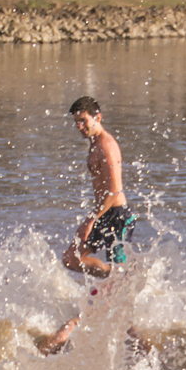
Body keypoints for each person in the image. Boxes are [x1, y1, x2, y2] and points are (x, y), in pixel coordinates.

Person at [61, 96, 133, 278]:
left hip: (117, 216)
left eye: (83, 121)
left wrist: (90, 219)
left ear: (98, 118)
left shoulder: (106, 145)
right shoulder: (94, 143)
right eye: (76, 122)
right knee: (71, 259)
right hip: (103, 213)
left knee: (117, 269)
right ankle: (113, 280)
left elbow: (114, 191)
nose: (79, 127)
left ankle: (122, 278)